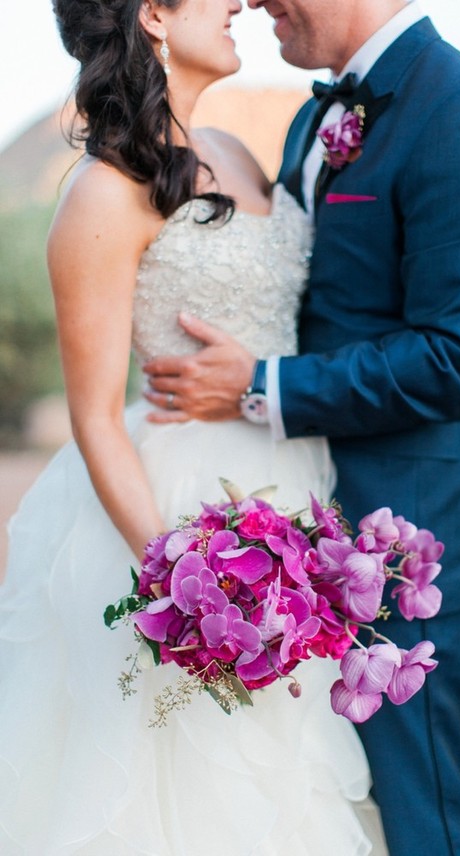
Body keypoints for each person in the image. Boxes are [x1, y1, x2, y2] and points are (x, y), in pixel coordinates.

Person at [142, 1, 460, 853]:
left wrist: (257, 385)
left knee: (421, 815)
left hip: (414, 546)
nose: (255, 1)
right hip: (301, 530)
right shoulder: (310, 118)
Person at [0, 1, 389, 853]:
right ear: (155, 15)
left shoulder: (240, 154)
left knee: (281, 777)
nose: (243, 2)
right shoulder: (103, 193)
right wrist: (183, 581)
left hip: (294, 488)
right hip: (181, 514)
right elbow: (96, 418)